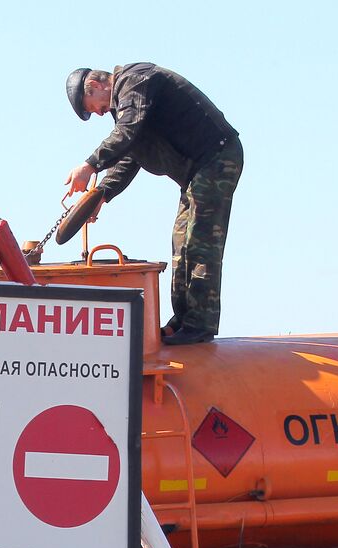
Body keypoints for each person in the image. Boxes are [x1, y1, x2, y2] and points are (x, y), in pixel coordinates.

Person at [63, 64, 242, 345]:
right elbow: (130, 154)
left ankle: (199, 324)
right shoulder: (127, 107)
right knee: (181, 242)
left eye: (91, 107)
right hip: (196, 172)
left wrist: (90, 165)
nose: (98, 113)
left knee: (201, 239)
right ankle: (182, 321)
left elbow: (127, 133)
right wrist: (103, 194)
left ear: (95, 86)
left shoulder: (134, 81)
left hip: (216, 158)